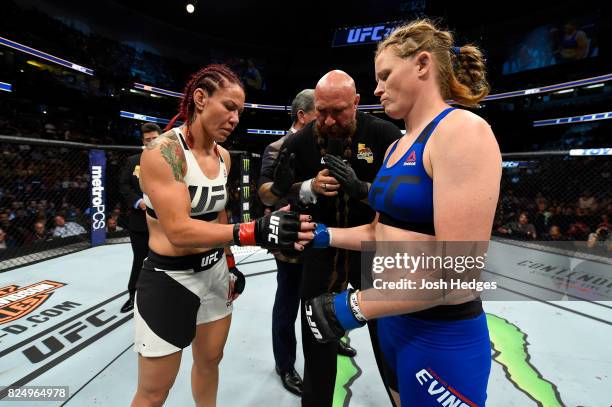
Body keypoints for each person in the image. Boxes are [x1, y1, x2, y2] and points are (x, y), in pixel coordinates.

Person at [303, 19, 501, 407]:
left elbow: (457, 270)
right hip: (394, 322)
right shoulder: (397, 147)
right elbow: (380, 234)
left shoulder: (462, 131)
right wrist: (323, 235)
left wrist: (355, 305)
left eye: (385, 75)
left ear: (423, 65)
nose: (377, 89)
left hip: (441, 334)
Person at [131, 64, 312, 407]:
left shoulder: (224, 157)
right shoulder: (163, 153)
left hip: (215, 274)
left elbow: (218, 214)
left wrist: (229, 263)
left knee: (210, 361)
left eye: (240, 112)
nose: (235, 118)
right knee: (154, 392)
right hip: (170, 279)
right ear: (200, 99)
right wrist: (255, 231)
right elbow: (179, 231)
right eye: (229, 107)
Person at [262, 70, 402, 406]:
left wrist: (361, 190)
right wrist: (289, 187)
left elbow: (400, 201)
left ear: (355, 102)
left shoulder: (383, 134)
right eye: (321, 110)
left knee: (388, 336)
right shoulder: (298, 142)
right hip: (321, 249)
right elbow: (266, 197)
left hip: (371, 248)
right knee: (315, 335)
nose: (327, 119)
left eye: (337, 111)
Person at [257, 89, 316, 396]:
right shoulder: (277, 147)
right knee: (288, 300)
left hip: (321, 233)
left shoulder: (321, 144)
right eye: (320, 114)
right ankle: (285, 364)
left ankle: (328, 342)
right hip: (291, 235)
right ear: (302, 115)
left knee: (320, 296)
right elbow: (266, 192)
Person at [118, 122, 161, 313]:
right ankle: (133, 296)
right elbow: (124, 185)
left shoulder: (172, 161)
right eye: (147, 139)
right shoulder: (133, 160)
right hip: (140, 220)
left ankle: (162, 295)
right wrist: (138, 202)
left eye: (154, 138)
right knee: (140, 259)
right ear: (142, 141)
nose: (151, 142)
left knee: (165, 259)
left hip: (165, 221)